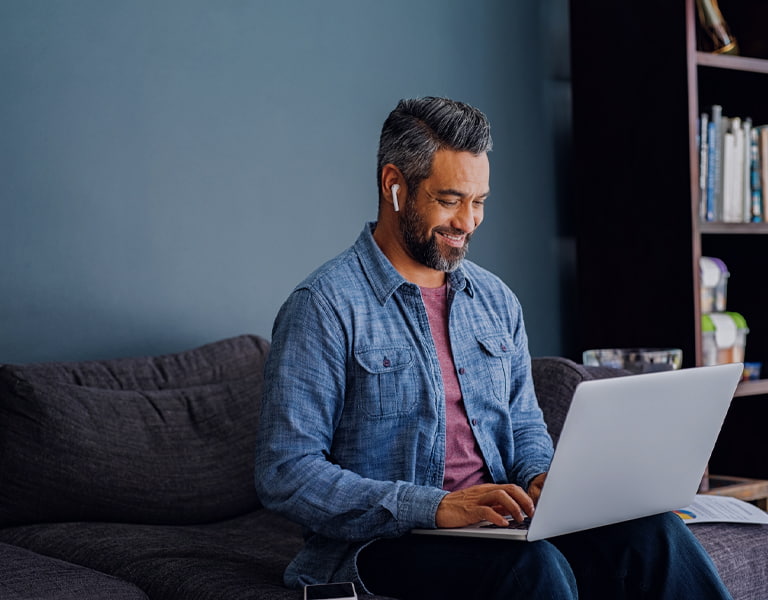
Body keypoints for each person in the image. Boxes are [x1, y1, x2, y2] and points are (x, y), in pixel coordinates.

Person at [254, 97, 732, 599]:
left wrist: (543, 478)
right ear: (394, 185)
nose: (468, 221)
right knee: (529, 567)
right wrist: (435, 507)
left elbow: (524, 423)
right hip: (381, 544)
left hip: (498, 528)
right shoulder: (325, 306)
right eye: (450, 199)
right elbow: (286, 471)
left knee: (655, 535)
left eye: (479, 201)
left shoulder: (495, 299)